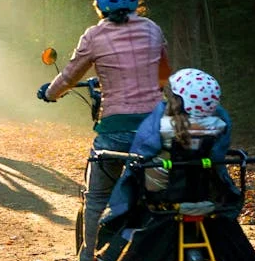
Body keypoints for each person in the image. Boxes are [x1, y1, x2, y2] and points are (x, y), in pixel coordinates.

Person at [36, 0, 170, 261]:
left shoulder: (94, 36)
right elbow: (164, 76)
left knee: (96, 197)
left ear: (98, 4)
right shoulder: (152, 30)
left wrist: (49, 93)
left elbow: (68, 77)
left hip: (116, 131)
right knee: (161, 191)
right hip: (156, 128)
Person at [103, 68, 240, 223]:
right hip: (205, 190)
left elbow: (140, 154)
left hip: (162, 191)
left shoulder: (161, 126)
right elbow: (218, 155)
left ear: (177, 99)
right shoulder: (220, 126)